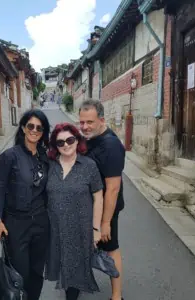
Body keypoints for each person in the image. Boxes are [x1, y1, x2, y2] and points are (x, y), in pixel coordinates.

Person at [0, 109, 51, 300]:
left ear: (43, 132)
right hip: (16, 224)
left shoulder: (45, 158)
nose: (34, 130)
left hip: (41, 224)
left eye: (39, 128)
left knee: (36, 272)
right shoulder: (9, 156)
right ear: (24, 128)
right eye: (30, 126)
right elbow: (0, 189)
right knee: (18, 274)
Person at [45, 123, 104, 300]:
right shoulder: (50, 165)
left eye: (70, 140)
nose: (66, 145)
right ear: (55, 146)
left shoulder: (89, 166)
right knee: (63, 266)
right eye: (60, 142)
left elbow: (98, 197)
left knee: (75, 270)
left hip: (80, 227)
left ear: (77, 140)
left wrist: (96, 229)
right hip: (55, 228)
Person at [79, 99, 126, 300]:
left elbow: (113, 188)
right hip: (87, 206)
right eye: (81, 122)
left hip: (106, 208)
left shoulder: (111, 145)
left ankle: (116, 297)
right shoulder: (89, 139)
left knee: (110, 249)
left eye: (89, 122)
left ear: (101, 120)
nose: (85, 127)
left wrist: (105, 222)